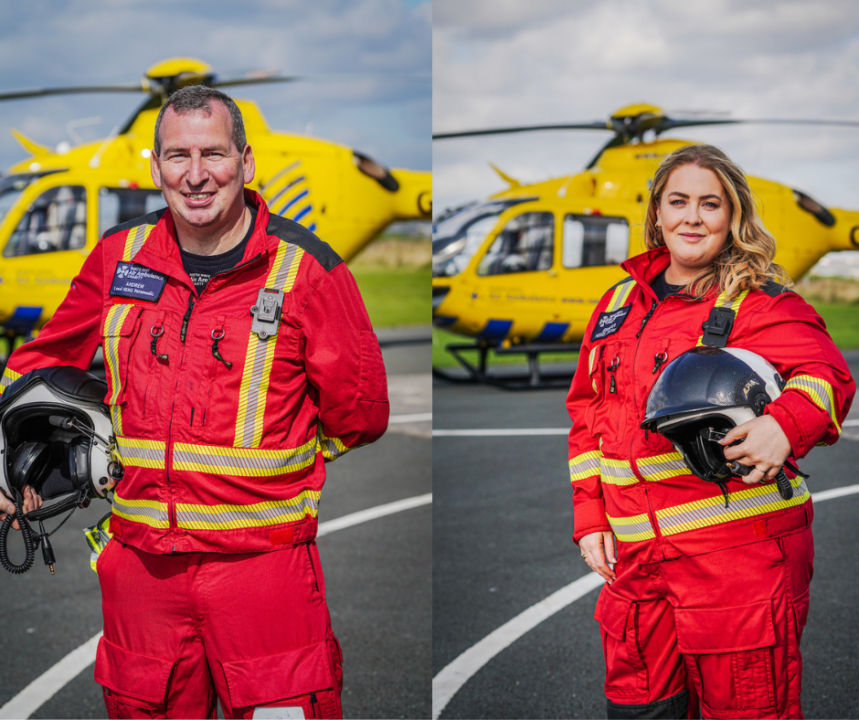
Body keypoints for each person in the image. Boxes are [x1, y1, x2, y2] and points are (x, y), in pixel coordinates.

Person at [0, 85, 389, 718]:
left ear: (246, 162)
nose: (197, 174)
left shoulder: (307, 271)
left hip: (263, 571)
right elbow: (38, 363)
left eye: (214, 154)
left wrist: (275, 461)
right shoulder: (117, 258)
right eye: (178, 156)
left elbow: (362, 412)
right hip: (140, 572)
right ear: (154, 168)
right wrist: (11, 462)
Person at [566, 144, 854, 720]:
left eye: (709, 204)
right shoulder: (618, 303)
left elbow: (828, 376)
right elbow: (588, 412)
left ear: (733, 217)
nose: (692, 218)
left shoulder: (761, 301)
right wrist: (591, 517)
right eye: (678, 201)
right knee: (639, 709)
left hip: (738, 562)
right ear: (656, 214)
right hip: (637, 563)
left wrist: (783, 426)